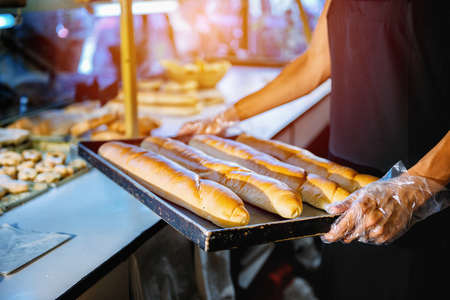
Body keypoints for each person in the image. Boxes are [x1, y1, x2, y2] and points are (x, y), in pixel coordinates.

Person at [178, 0, 450, 299]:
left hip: (418, 206)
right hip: (346, 198)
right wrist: (228, 115)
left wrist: (412, 190)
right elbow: (315, 64)